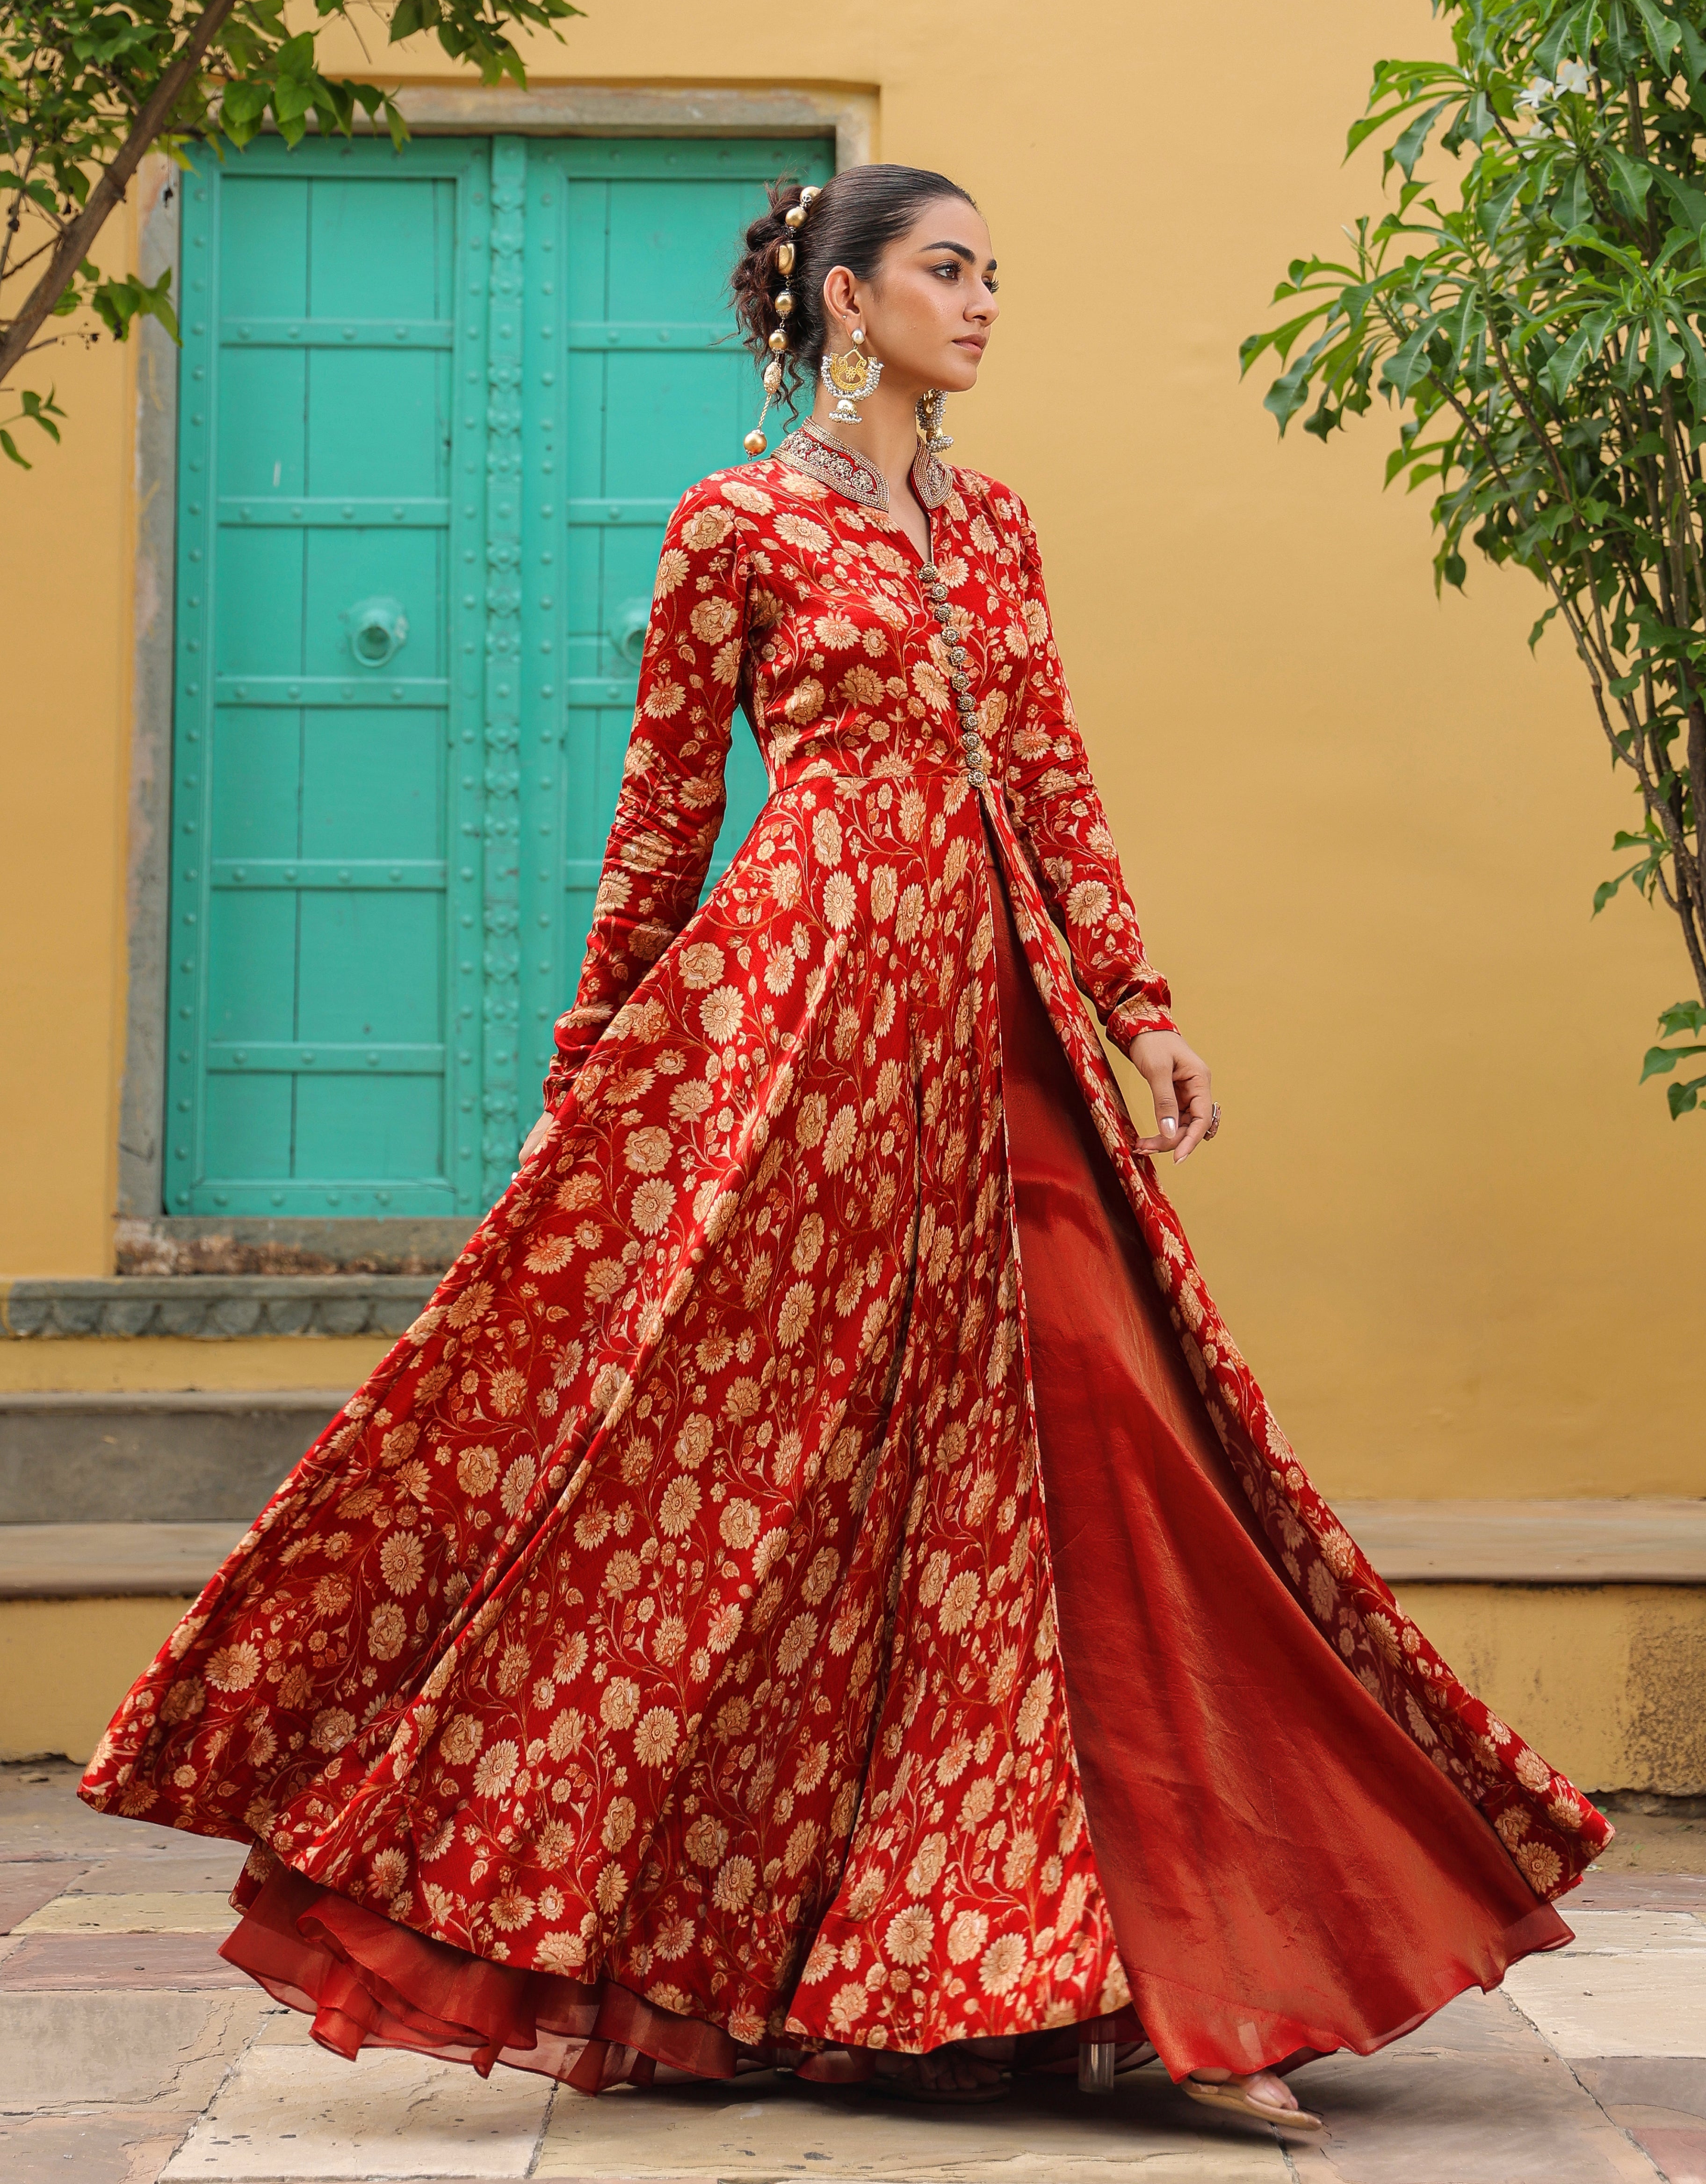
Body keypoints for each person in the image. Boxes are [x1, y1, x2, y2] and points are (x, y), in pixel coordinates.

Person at [80, 163, 1607, 2139]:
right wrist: (596, 1060)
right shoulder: (739, 522)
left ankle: (1169, 1975)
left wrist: (1139, 1009)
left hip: (1000, 1037)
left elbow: (1050, 770)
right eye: (950, 271)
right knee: (769, 1504)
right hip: (802, 1033)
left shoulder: (999, 527)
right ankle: (799, 1959)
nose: (984, 304)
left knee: (1106, 1449)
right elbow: (659, 806)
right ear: (844, 296)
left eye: (996, 274)